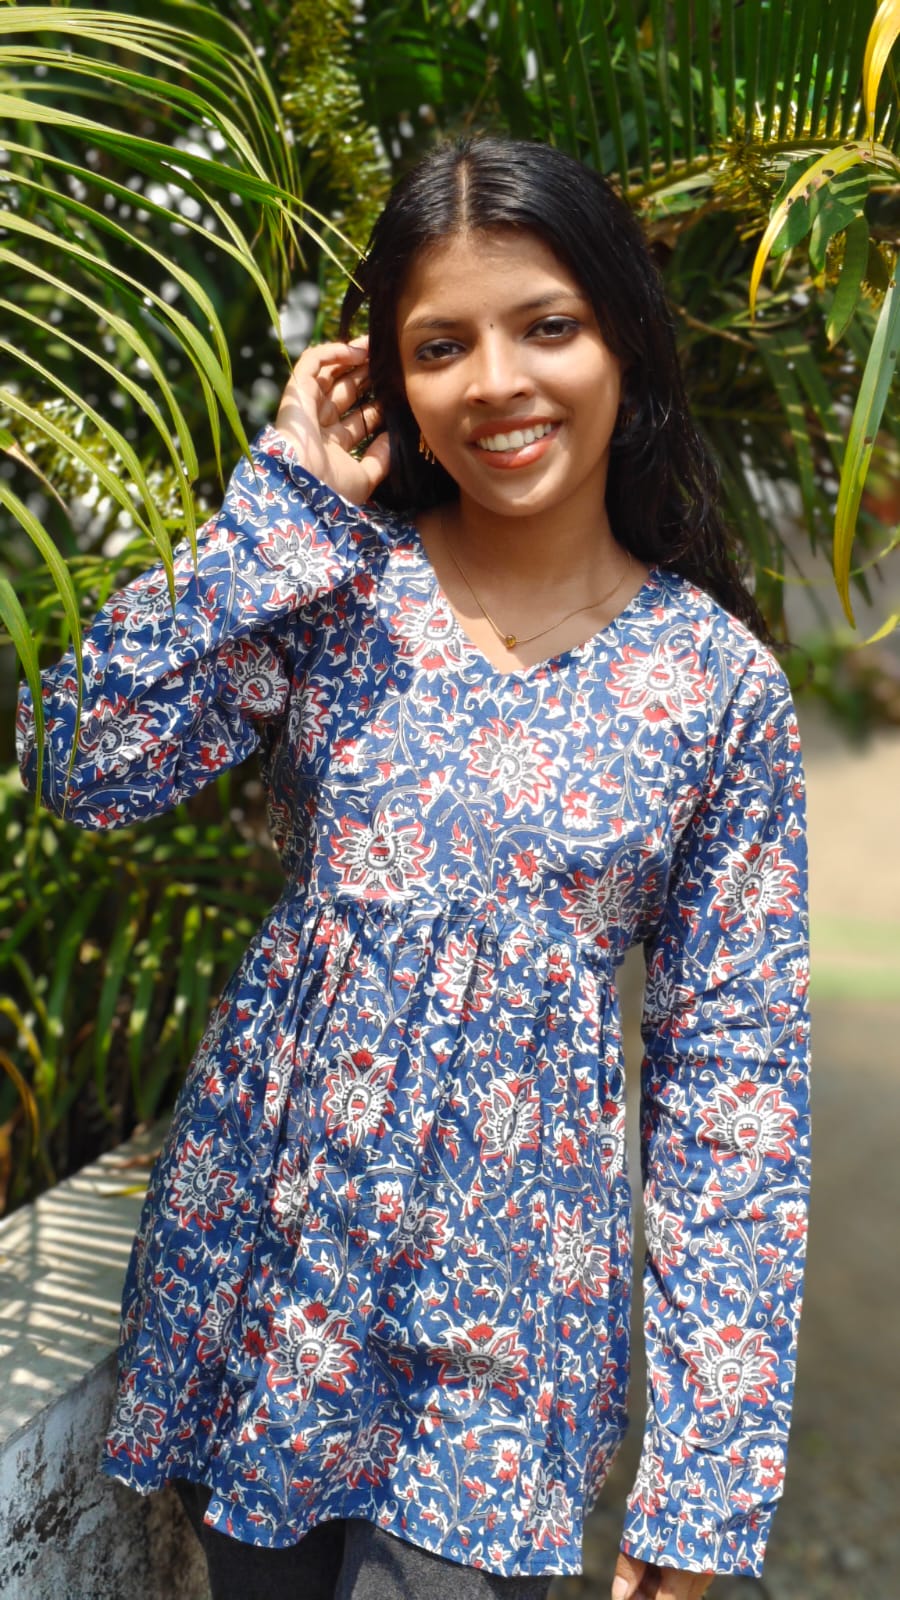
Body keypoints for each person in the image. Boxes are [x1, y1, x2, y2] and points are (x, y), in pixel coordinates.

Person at [16, 137, 810, 1600]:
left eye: (547, 327)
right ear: (388, 381)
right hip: (267, 1282)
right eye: (441, 345)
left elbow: (736, 1090)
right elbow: (88, 765)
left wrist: (703, 1480)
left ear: (625, 335)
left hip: (504, 1338)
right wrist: (279, 508)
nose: (497, 382)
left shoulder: (716, 689)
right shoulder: (333, 585)